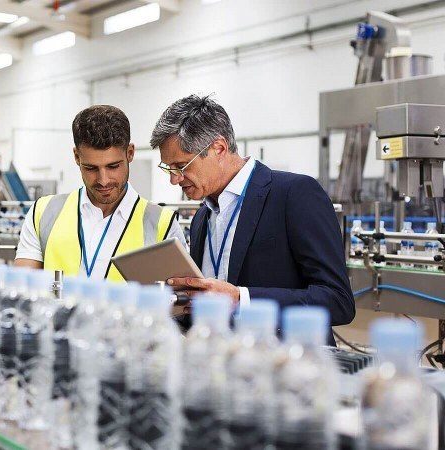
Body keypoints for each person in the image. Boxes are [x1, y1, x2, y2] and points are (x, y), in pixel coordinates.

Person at [151, 94, 354, 343]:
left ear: (219, 148)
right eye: (169, 169)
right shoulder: (202, 218)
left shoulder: (294, 194)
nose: (174, 179)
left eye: (181, 166)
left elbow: (338, 300)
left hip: (287, 367)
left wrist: (240, 299)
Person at [15, 105, 183, 281]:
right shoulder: (44, 213)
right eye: (91, 168)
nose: (103, 180)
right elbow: (21, 290)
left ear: (130, 153)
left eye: (113, 166)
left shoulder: (163, 225)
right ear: (77, 157)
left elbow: (176, 304)